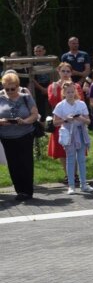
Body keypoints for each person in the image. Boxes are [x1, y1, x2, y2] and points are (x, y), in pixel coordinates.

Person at [0, 72, 40, 201]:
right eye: (7, 89)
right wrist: (1, 121)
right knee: (13, 164)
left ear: (18, 86)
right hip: (6, 136)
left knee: (26, 162)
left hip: (25, 134)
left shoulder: (25, 97)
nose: (10, 91)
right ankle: (19, 191)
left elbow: (35, 114)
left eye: (13, 88)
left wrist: (25, 121)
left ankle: (27, 191)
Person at [52, 80, 93, 195]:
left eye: (72, 91)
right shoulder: (60, 105)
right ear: (64, 93)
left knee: (81, 159)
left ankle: (84, 184)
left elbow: (88, 121)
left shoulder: (81, 104)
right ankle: (71, 186)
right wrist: (66, 119)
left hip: (81, 133)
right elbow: (55, 122)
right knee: (70, 160)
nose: (70, 94)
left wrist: (81, 118)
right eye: (68, 92)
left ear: (75, 92)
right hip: (68, 134)